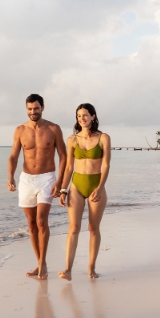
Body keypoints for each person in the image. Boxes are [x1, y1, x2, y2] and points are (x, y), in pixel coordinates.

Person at [7, 94, 66, 279]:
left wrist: (60, 182)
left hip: (47, 178)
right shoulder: (20, 130)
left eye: (36, 108)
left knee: (41, 220)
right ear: (26, 109)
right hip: (26, 180)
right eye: (30, 109)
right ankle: (40, 262)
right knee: (31, 223)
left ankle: (41, 263)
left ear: (43, 108)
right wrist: (10, 177)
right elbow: (13, 156)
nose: (33, 112)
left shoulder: (53, 129)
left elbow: (64, 156)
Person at [58, 103, 112, 280]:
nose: (82, 118)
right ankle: (67, 270)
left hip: (97, 185)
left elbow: (106, 166)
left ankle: (91, 267)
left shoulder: (103, 138)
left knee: (93, 228)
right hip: (76, 186)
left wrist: (100, 187)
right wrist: (63, 190)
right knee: (73, 228)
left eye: (85, 115)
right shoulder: (72, 140)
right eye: (79, 115)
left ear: (93, 116)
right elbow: (68, 168)